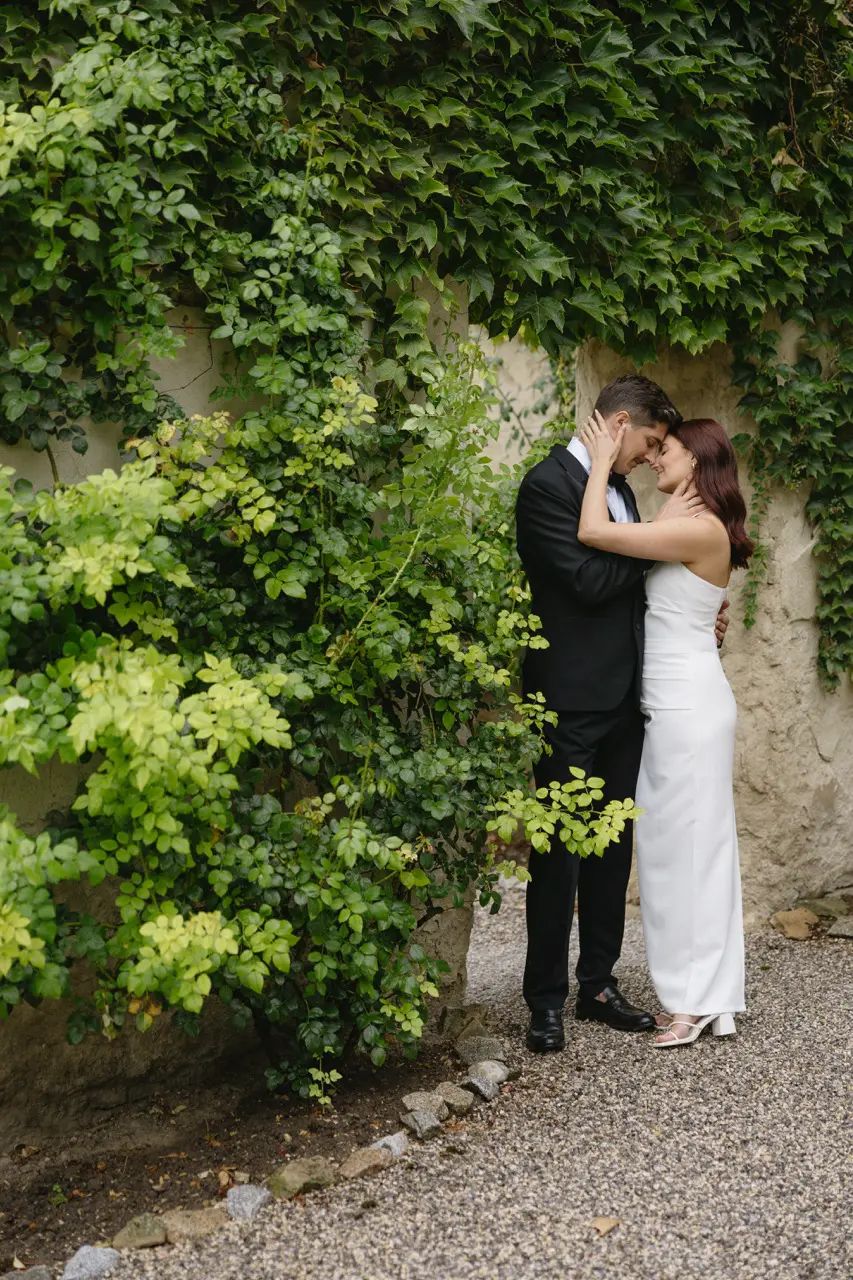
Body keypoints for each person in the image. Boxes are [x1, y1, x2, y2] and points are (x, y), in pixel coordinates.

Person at [515, 375, 729, 1054]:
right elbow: (584, 579)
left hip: (629, 698)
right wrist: (666, 562)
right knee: (557, 853)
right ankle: (543, 1000)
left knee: (612, 849)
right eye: (648, 441)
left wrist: (691, 603)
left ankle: (597, 985)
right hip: (567, 697)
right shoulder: (545, 485)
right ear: (617, 424)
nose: (649, 455)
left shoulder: (624, 494)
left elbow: (623, 579)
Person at [576, 409, 752, 1047]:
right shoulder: (688, 525)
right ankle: (714, 994)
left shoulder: (697, 528)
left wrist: (599, 461)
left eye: (667, 451)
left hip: (687, 710)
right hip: (676, 704)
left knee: (687, 857)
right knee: (687, 852)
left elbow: (593, 530)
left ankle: (694, 1001)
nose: (655, 459)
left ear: (698, 462)